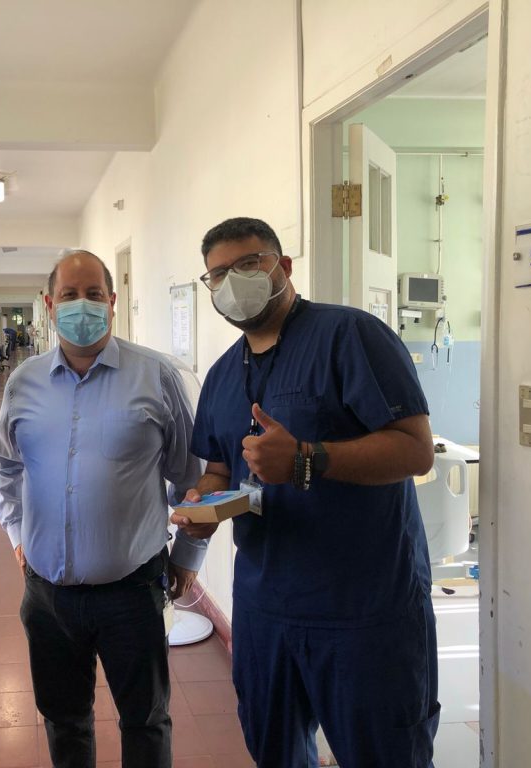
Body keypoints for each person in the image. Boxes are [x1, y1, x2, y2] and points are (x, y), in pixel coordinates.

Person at [171, 217, 439, 767]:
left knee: (386, 754)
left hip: (364, 608)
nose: (233, 281)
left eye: (249, 264)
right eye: (218, 274)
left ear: (283, 267)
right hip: (265, 609)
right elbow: (218, 469)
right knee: (275, 750)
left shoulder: (350, 336)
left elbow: (415, 450)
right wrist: (203, 503)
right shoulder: (221, 376)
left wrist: (306, 459)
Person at [0, 249, 207, 768]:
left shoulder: (156, 376)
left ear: (112, 301)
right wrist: (17, 534)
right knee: (64, 721)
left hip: (132, 593)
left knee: (146, 721)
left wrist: (188, 558)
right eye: (69, 295)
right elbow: (4, 466)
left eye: (93, 294)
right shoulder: (24, 382)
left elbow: (191, 479)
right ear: (49, 305)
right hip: (48, 596)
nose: (81, 305)